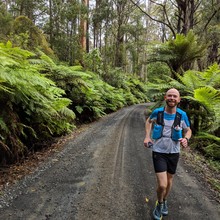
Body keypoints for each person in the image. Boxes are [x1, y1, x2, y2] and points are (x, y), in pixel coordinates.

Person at [144, 88, 192, 220]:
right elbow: (148, 121)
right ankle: (159, 203)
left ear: (179, 99)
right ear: (165, 98)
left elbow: (188, 130)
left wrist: (186, 139)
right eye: (169, 96)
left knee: (170, 180)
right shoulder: (158, 113)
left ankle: (165, 200)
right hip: (158, 151)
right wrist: (147, 137)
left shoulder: (182, 115)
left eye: (174, 96)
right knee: (162, 184)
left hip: (174, 153)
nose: (172, 98)